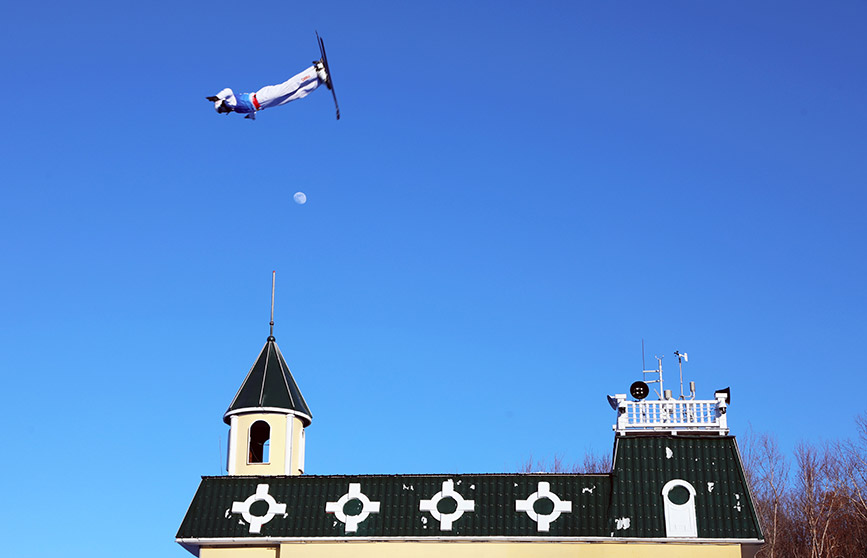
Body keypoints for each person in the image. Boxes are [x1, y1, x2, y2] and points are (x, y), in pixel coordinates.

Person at [207, 61, 330, 119]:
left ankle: (316, 70)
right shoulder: (235, 109)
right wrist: (251, 116)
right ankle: (318, 79)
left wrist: (218, 97)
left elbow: (228, 90)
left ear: (222, 104)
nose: (224, 111)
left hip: (261, 97)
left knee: (289, 87)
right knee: (296, 95)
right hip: (264, 104)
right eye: (222, 112)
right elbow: (251, 109)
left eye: (222, 109)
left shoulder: (230, 101)